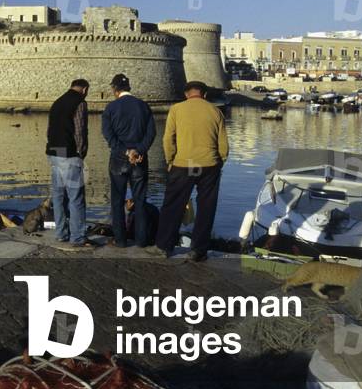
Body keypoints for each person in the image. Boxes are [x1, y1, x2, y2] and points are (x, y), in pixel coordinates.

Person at [155, 80, 229, 262]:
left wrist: (170, 160)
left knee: (173, 206)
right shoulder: (215, 111)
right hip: (209, 164)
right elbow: (224, 145)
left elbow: (167, 139)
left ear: (187, 94)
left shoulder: (177, 109)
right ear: (204, 95)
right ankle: (198, 250)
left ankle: (164, 247)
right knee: (206, 208)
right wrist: (220, 161)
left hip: (183, 164)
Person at [101, 73, 156, 247]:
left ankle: (121, 240)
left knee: (117, 200)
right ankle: (141, 240)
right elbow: (151, 133)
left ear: (115, 90)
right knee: (139, 201)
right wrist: (139, 150)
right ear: (129, 88)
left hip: (119, 159)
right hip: (140, 159)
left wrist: (126, 151)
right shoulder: (143, 106)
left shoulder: (111, 108)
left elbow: (108, 135)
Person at [45, 79, 92, 247]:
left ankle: (61, 234)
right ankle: (78, 237)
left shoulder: (57, 102)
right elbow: (80, 131)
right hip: (70, 154)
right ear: (84, 89)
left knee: (58, 196)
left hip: (55, 152)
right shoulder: (80, 103)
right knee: (76, 197)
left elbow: (49, 129)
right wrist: (81, 153)